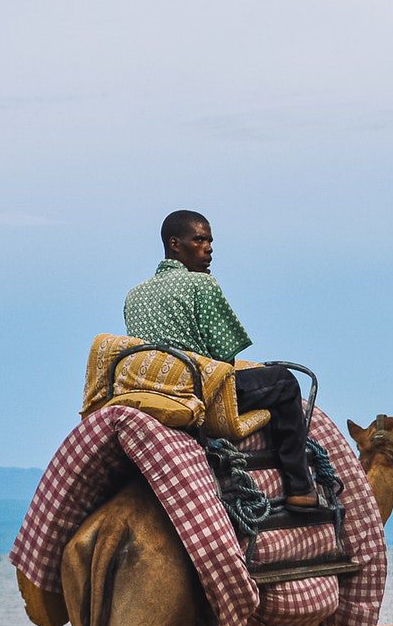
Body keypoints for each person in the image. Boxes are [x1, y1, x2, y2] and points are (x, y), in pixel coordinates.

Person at [123, 210, 320, 511]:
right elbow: (224, 361)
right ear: (175, 244)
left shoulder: (134, 296)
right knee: (283, 381)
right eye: (199, 239)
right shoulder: (202, 284)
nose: (209, 247)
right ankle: (300, 488)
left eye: (210, 241)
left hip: (157, 393)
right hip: (201, 392)